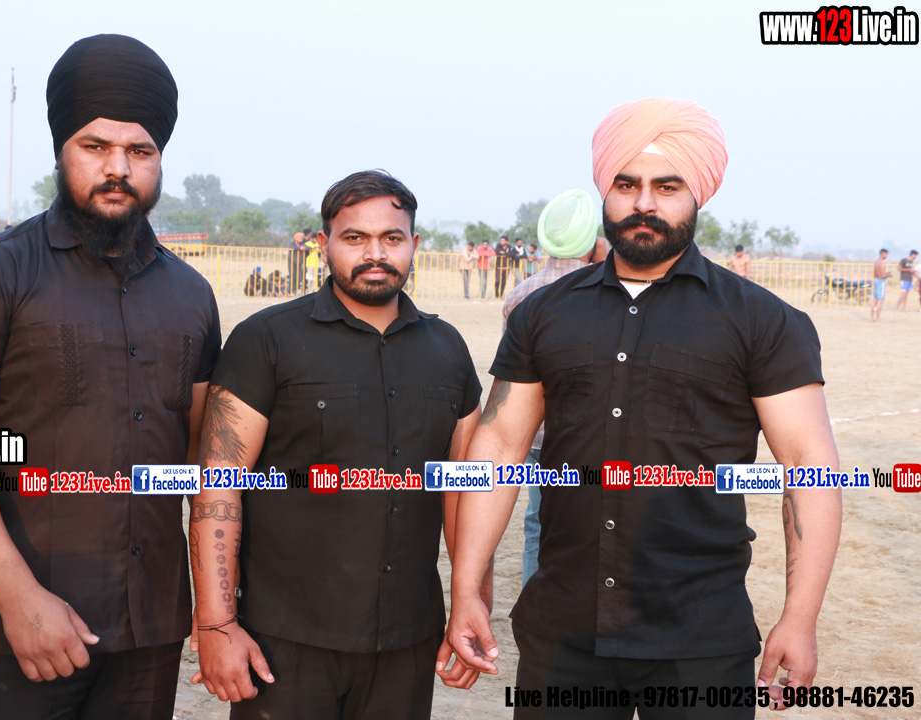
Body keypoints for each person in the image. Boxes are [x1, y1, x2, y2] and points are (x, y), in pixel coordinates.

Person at [443, 98, 841, 719]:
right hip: (563, 629)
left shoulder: (763, 320)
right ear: (605, 190)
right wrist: (467, 589)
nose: (644, 202)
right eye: (626, 185)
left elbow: (809, 466)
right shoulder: (544, 313)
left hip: (700, 635)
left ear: (697, 193)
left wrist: (801, 616)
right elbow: (498, 446)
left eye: (667, 186)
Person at [0, 34, 221, 719]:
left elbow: (205, 460)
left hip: (150, 631)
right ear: (61, 150)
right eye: (95, 146)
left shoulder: (193, 295)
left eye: (140, 151)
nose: (118, 168)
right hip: (21, 629)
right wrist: (19, 598)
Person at [189, 170, 486, 719]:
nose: (375, 254)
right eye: (355, 238)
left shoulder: (448, 349)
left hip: (407, 639)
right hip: (284, 641)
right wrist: (216, 622)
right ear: (324, 244)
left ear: (415, 244)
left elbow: (467, 495)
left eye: (392, 238)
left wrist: (474, 602)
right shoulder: (266, 339)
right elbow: (217, 486)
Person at [500, 189, 606, 587]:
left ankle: (535, 594)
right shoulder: (604, 291)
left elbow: (513, 372)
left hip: (536, 433)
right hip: (590, 433)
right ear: (593, 242)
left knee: (538, 519)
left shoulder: (520, 294)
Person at [871, 248, 892, 322]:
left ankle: (872, 318)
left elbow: (875, 274)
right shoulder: (882, 263)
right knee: (880, 300)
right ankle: (878, 319)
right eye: (886, 254)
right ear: (882, 254)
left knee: (875, 300)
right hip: (881, 282)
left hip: (876, 281)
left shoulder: (876, 262)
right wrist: (888, 275)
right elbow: (882, 275)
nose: (887, 256)